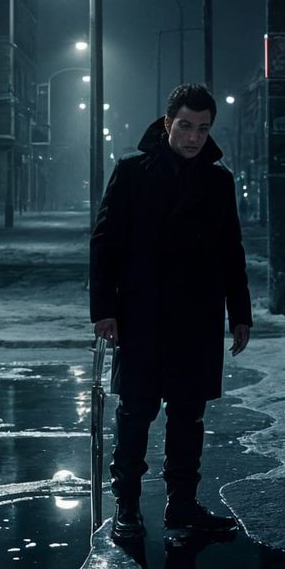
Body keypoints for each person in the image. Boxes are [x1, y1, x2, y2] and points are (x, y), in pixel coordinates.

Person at [89, 83, 252, 541]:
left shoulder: (218, 181)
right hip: (142, 313)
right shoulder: (133, 172)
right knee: (136, 411)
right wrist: (104, 310)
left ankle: (182, 503)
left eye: (203, 128)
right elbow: (105, 244)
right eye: (185, 125)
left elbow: (230, 251)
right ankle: (127, 506)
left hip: (197, 316)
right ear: (167, 124)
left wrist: (240, 312)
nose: (194, 136)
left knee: (189, 415)